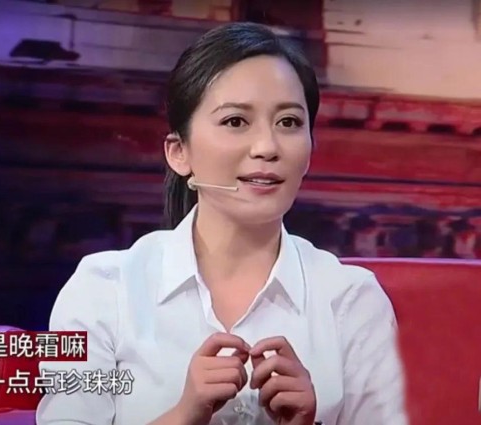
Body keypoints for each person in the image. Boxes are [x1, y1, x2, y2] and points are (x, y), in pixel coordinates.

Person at [36, 22, 407, 425]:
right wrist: (183, 416)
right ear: (179, 153)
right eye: (235, 122)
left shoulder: (352, 301)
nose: (267, 147)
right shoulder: (103, 289)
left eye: (289, 123)